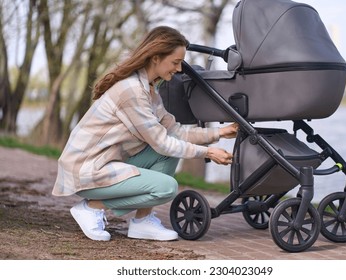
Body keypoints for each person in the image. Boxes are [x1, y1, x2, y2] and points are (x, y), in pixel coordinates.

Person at [52, 26, 238, 242]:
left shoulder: (150, 91)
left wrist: (220, 132)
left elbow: (175, 132)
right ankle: (92, 207)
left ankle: (142, 222)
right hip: (86, 169)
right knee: (167, 188)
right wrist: (208, 152)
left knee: (172, 149)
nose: (178, 69)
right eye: (175, 62)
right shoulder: (131, 91)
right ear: (156, 58)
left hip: (105, 163)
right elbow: (162, 143)